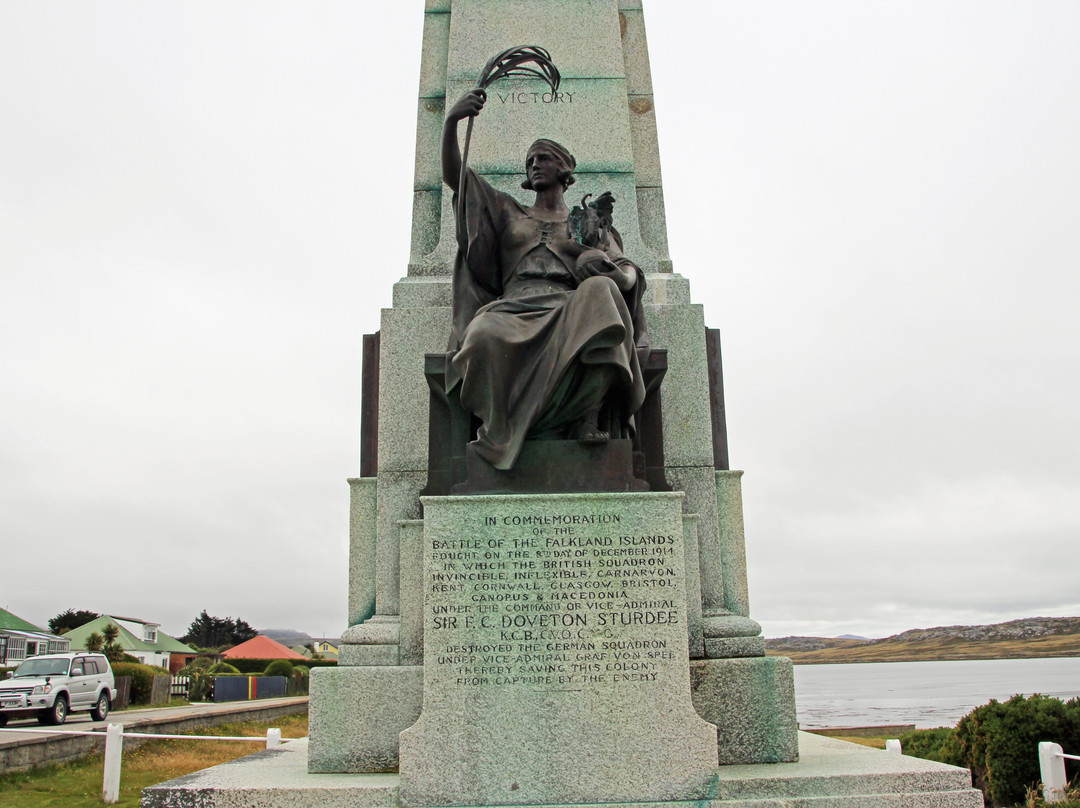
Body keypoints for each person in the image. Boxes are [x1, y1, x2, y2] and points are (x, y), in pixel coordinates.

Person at [441, 88, 648, 471]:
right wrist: (452, 121)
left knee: (600, 293)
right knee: (483, 333)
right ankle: (501, 428)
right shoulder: (506, 210)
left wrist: (608, 271)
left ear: (564, 170)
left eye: (544, 159)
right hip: (513, 305)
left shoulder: (587, 221)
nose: (535, 165)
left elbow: (626, 269)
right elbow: (459, 178)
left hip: (570, 307)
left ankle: (587, 415)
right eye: (531, 160)